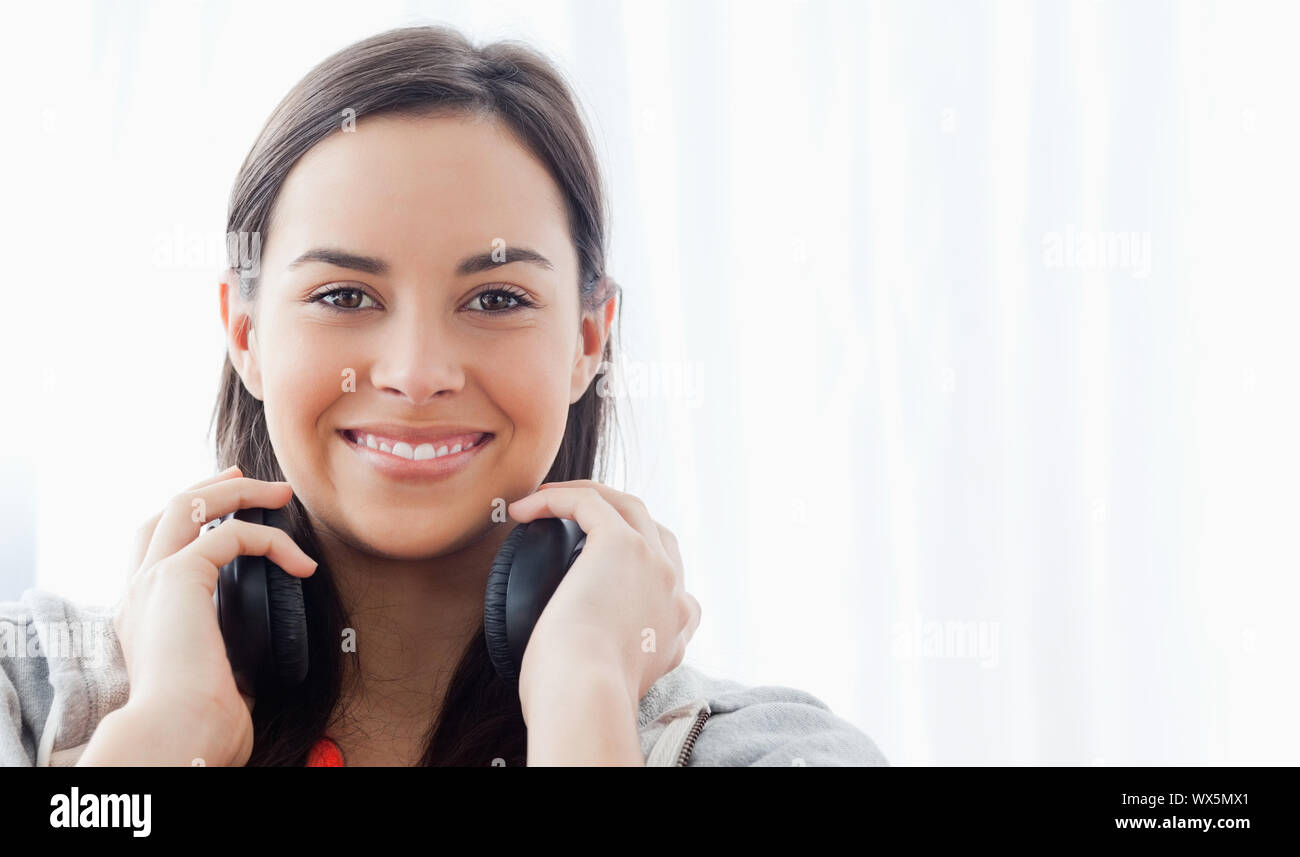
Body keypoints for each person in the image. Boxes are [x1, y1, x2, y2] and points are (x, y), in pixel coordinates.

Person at [0, 24, 887, 767]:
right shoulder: (30, 689)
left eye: (496, 299)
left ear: (588, 340)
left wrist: (584, 700)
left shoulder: (773, 751)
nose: (417, 372)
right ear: (246, 334)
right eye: (344, 295)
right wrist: (167, 732)